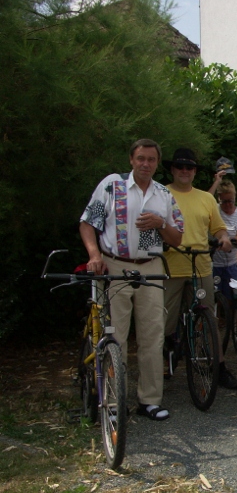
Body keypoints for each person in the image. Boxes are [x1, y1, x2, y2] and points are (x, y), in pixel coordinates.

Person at [79, 139, 184, 421]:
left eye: (151, 159)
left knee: (152, 336)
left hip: (150, 267)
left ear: (157, 163)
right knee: (115, 336)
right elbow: (88, 223)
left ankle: (149, 400)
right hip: (115, 265)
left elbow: (177, 238)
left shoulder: (163, 194)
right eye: (140, 158)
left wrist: (161, 224)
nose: (145, 164)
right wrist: (94, 255)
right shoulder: (112, 186)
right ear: (131, 160)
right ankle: (113, 403)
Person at [162, 148, 237, 390]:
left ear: (195, 172)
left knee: (208, 318)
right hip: (170, 266)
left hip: (201, 266)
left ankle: (218, 367)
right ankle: (162, 365)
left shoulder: (206, 198)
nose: (184, 171)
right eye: (180, 167)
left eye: (189, 168)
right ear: (173, 170)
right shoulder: (161, 193)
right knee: (162, 321)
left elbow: (218, 228)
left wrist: (223, 238)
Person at [212, 179, 237, 302]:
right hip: (214, 264)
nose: (227, 205)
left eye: (230, 201)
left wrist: (229, 239)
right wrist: (217, 181)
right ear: (218, 199)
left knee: (233, 299)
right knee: (213, 298)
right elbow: (204, 199)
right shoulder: (214, 210)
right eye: (224, 202)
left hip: (232, 264)